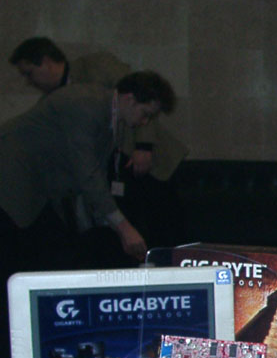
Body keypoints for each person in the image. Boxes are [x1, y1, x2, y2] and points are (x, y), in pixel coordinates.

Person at [9, 37, 188, 247]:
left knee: (163, 224)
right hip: (105, 171)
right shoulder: (56, 100)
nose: (29, 82)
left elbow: (144, 95)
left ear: (46, 62)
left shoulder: (96, 67)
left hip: (141, 162)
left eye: (29, 73)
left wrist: (144, 145)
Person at [0, 70, 176, 268]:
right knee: (17, 253)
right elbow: (88, 175)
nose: (145, 122)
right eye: (146, 114)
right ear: (130, 99)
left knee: (45, 250)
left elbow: (91, 176)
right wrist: (124, 228)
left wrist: (115, 225)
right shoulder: (86, 106)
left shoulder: (110, 116)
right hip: (11, 175)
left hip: (33, 181)